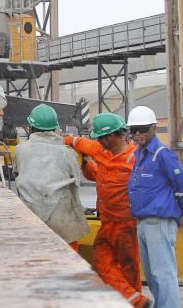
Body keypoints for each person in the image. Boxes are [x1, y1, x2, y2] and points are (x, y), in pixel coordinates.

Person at [65, 113, 149, 308]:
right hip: (107, 221)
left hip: (126, 223)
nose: (100, 141)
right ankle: (136, 300)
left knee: (129, 267)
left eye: (103, 137)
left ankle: (134, 300)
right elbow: (78, 142)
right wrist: (61, 141)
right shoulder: (101, 150)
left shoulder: (135, 159)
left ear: (114, 135)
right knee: (101, 262)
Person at [12, 104, 89, 250]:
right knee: (69, 266)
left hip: (32, 221)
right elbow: (77, 181)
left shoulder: (20, 150)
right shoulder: (67, 153)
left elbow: (17, 173)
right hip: (64, 224)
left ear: (31, 127)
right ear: (55, 128)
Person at [128, 106, 182, 308]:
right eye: (133, 130)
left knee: (163, 274)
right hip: (143, 222)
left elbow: (180, 183)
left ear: (153, 129)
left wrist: (181, 212)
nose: (138, 134)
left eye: (142, 129)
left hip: (159, 222)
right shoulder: (139, 154)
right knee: (152, 275)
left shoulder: (162, 154)